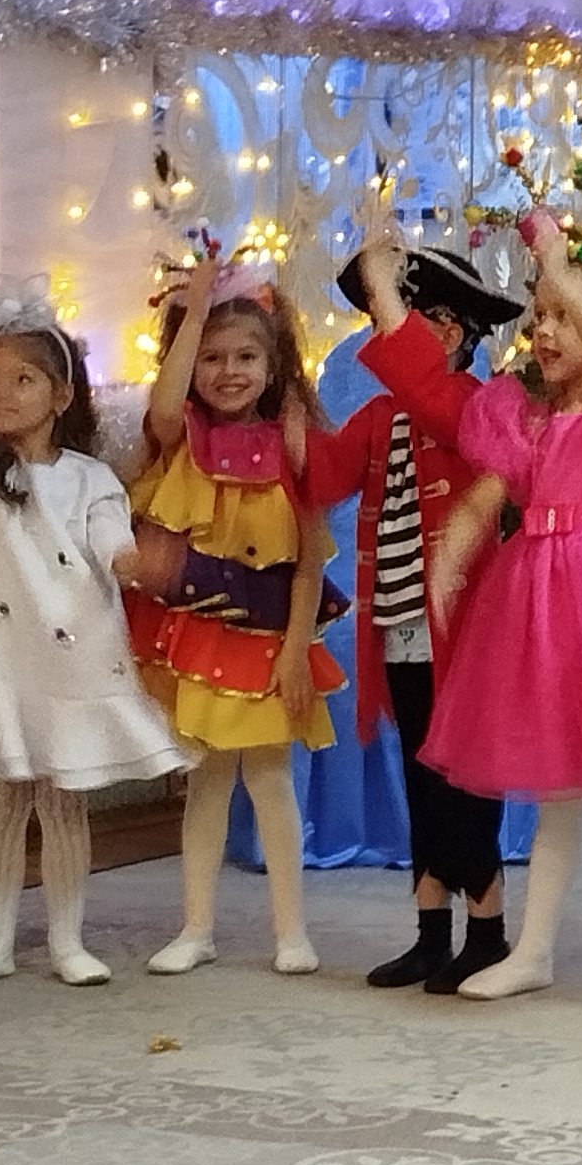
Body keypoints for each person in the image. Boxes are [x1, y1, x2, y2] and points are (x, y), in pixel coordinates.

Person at [356, 206, 582, 1018]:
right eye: (539, 316)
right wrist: (453, 550)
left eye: (563, 315)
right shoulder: (526, 417)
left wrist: (559, 266)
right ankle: (532, 951)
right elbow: (486, 487)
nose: (544, 331)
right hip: (547, 610)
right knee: (559, 798)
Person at [0, 289, 182, 989]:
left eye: (24, 379)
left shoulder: (90, 478)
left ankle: (68, 940)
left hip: (72, 656)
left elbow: (111, 541)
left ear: (62, 395)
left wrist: (135, 563)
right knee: (4, 801)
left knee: (63, 799)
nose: (3, 393)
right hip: (3, 662)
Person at [120, 256, 351, 975]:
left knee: (271, 778)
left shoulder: (294, 446)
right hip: (202, 638)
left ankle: (291, 931)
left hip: (270, 640)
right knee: (208, 780)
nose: (228, 371)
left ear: (273, 364)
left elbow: (308, 563)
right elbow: (164, 403)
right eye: (212, 358)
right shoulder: (181, 435)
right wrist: (193, 312)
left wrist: (295, 652)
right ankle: (196, 928)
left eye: (246, 357)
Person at [324, 230, 522, 993]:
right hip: (400, 632)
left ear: (453, 333)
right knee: (419, 779)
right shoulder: (382, 417)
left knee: (464, 785)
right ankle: (431, 932)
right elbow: (323, 475)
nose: (394, 332)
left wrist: (382, 295)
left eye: (411, 319)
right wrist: (282, 408)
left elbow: (431, 399)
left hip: (464, 637)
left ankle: (488, 931)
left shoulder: (474, 406)